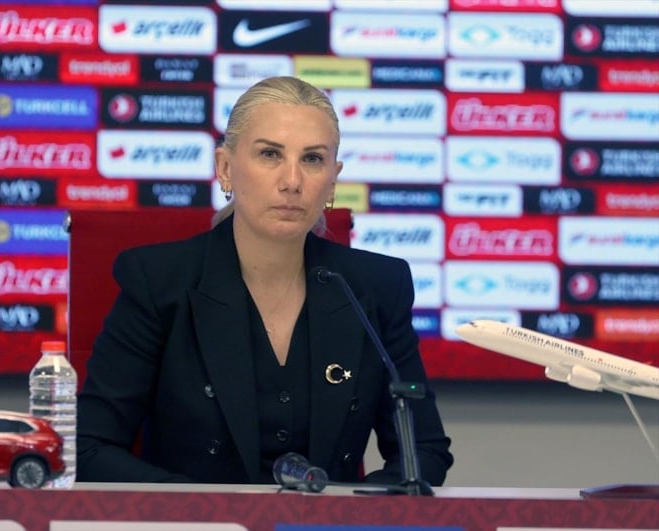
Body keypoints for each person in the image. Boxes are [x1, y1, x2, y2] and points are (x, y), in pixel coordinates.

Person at [76, 76, 453, 486]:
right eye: (270, 154)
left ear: (332, 179)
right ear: (225, 168)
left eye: (312, 159)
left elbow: (423, 451)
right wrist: (207, 510)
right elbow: (90, 448)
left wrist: (350, 509)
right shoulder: (158, 281)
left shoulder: (376, 286)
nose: (292, 181)